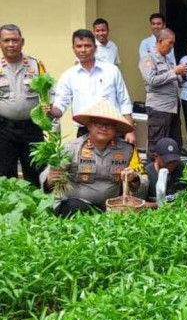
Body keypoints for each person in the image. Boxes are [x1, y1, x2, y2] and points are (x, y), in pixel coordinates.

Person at [40, 100, 147, 217]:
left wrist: (134, 178)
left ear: (115, 129)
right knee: (74, 207)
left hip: (111, 208)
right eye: (99, 123)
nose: (104, 128)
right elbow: (46, 177)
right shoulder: (70, 148)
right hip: (75, 205)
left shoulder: (128, 150)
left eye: (109, 124)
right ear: (89, 125)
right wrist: (50, 179)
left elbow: (144, 183)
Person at [48, 29, 135, 143]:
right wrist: (50, 110)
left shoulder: (111, 71)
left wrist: (130, 131)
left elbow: (124, 101)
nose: (83, 50)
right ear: (73, 49)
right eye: (79, 46)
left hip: (111, 129)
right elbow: (60, 105)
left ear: (95, 48)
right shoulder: (69, 75)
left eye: (87, 46)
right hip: (85, 132)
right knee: (84, 161)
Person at [0, 24, 48, 187]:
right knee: (4, 174)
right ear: (0, 42)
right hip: (3, 130)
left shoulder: (35, 65)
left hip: (32, 129)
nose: (11, 44)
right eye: (6, 40)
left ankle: (37, 208)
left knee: (36, 170)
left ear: (22, 42)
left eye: (15, 40)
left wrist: (49, 109)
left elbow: (48, 92)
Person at [139, 29, 187, 156]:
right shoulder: (148, 58)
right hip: (159, 108)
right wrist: (174, 72)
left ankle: (172, 173)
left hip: (173, 107)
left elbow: (173, 80)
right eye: (170, 43)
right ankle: (154, 174)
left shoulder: (168, 60)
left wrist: (181, 75)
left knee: (173, 145)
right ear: (160, 41)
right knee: (157, 145)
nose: (172, 47)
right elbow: (151, 80)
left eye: (173, 44)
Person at [144, 137, 187, 206]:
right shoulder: (147, 174)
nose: (172, 164)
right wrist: (159, 205)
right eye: (167, 161)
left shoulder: (185, 169)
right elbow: (138, 204)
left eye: (174, 160)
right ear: (156, 157)